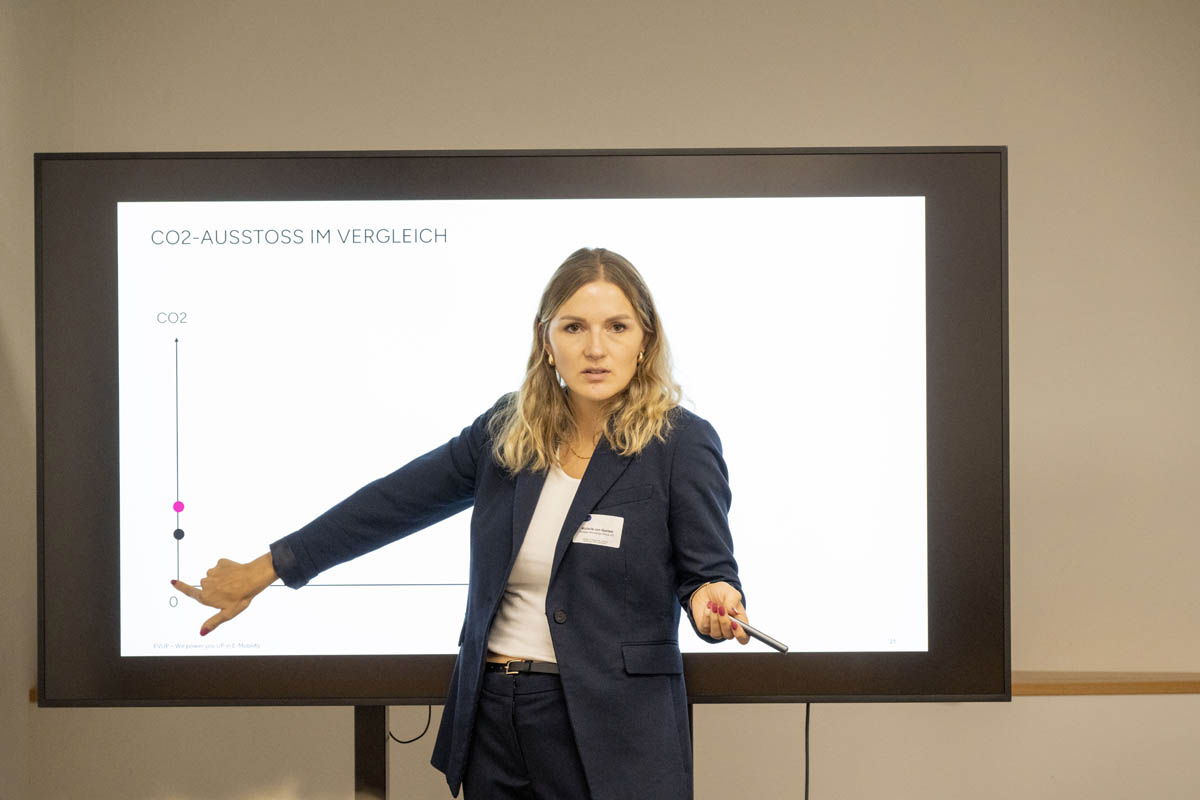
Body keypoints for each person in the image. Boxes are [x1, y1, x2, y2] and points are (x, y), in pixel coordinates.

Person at [172, 247, 751, 799]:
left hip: (613, 730)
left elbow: (708, 573)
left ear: (645, 340)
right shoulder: (508, 430)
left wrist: (713, 597)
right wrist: (267, 569)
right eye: (574, 327)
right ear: (546, 341)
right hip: (496, 716)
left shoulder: (681, 443)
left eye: (617, 327)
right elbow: (392, 503)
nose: (595, 348)